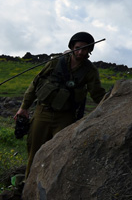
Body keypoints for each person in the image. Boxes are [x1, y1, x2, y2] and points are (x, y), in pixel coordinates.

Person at [14, 32, 106, 178]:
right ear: (72, 47)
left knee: (60, 154)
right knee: (34, 153)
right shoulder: (56, 62)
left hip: (65, 117)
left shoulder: (90, 71)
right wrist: (24, 107)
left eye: (85, 49)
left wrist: (114, 101)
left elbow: (97, 94)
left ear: (90, 51)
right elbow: (35, 83)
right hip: (42, 113)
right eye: (77, 48)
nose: (81, 52)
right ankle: (27, 187)